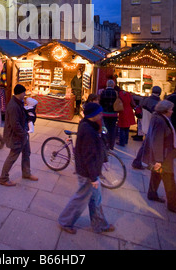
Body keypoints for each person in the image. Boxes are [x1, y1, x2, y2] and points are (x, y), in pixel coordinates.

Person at [58, 102, 115, 234]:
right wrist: (94, 177)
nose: (101, 115)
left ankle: (100, 225)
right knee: (81, 199)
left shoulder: (89, 125)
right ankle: (65, 221)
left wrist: (103, 160)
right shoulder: (88, 130)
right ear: (93, 115)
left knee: (95, 198)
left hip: (89, 170)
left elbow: (96, 148)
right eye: (99, 113)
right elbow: (88, 156)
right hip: (87, 172)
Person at [142, 99, 176, 216]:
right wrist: (158, 161)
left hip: (162, 155)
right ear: (165, 111)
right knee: (169, 180)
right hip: (163, 157)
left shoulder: (160, 117)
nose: (172, 111)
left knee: (156, 174)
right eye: (171, 109)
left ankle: (152, 193)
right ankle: (173, 205)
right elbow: (157, 141)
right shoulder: (160, 121)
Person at [0, 84, 38, 186]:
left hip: (23, 134)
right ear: (19, 93)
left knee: (26, 153)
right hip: (16, 136)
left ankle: (26, 173)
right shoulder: (13, 106)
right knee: (12, 157)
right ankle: (3, 178)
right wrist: (23, 133)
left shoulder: (19, 102)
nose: (25, 94)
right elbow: (14, 124)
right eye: (24, 92)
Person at [132, 86, 161, 170]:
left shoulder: (145, 100)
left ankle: (145, 162)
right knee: (146, 146)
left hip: (145, 125)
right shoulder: (158, 103)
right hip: (152, 128)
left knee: (147, 145)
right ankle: (138, 162)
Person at [99, 79, 118, 149]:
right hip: (113, 114)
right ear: (113, 85)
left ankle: (105, 143)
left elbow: (101, 102)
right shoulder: (116, 93)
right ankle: (111, 145)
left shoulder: (103, 92)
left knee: (105, 129)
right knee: (112, 129)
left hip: (105, 113)